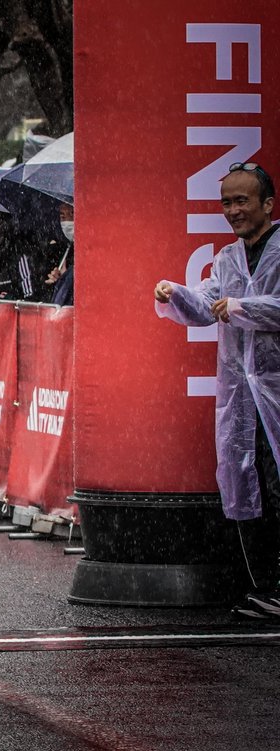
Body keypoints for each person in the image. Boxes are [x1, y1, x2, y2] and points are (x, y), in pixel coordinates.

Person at [154, 162, 280, 618]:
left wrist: (243, 308)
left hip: (275, 395)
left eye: (242, 200)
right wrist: (174, 294)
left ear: (267, 204)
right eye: (227, 202)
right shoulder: (227, 259)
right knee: (247, 486)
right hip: (242, 400)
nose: (233, 210)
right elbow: (208, 304)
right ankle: (268, 587)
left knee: (275, 485)